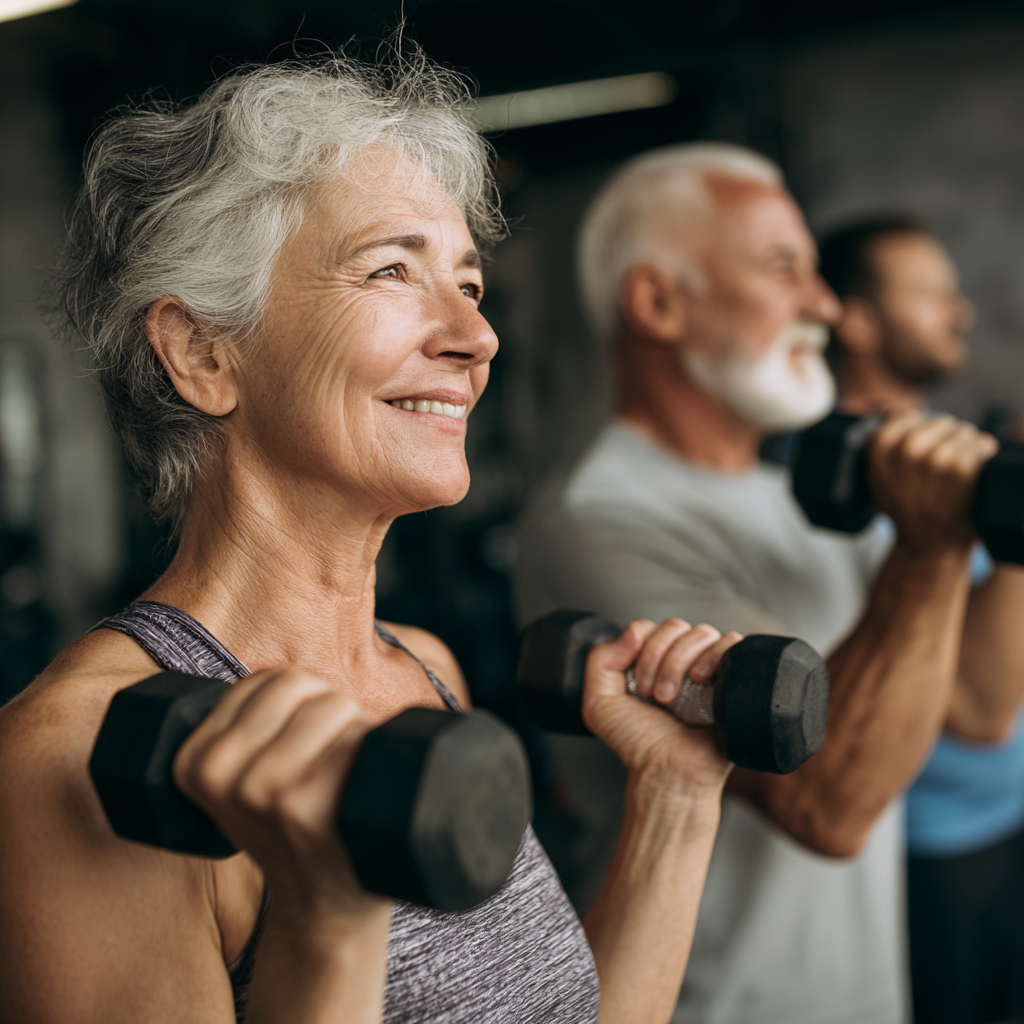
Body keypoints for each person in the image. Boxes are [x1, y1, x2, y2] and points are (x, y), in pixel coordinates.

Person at [0, 55, 742, 1024]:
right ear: (202, 351)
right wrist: (326, 917)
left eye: (469, 282)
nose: (476, 336)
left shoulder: (423, 672)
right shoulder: (75, 752)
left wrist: (675, 800)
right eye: (391, 269)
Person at [515, 143, 1024, 1024]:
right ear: (658, 302)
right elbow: (828, 806)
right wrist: (929, 546)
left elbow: (978, 709)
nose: (823, 304)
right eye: (783, 266)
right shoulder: (599, 519)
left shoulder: (793, 499)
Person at [821, 216, 1024, 1024]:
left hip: (1010, 817)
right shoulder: (828, 488)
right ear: (857, 319)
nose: (959, 312)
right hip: (930, 848)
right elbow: (979, 711)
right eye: (932, 294)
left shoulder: (957, 448)